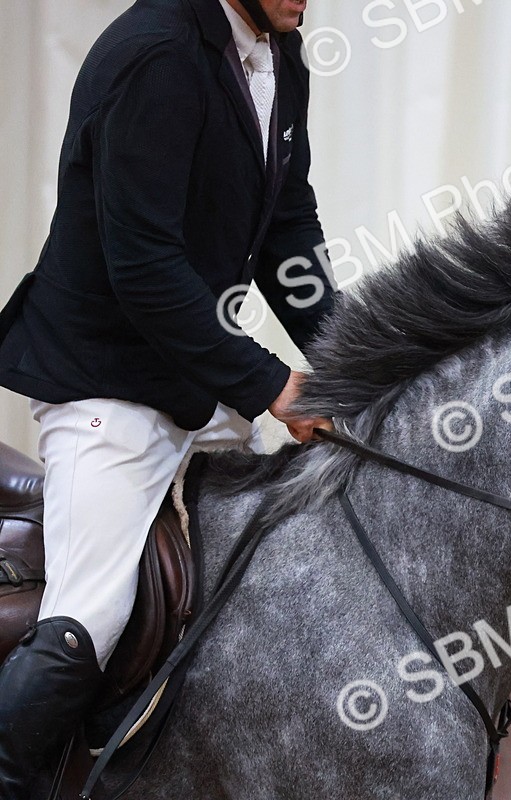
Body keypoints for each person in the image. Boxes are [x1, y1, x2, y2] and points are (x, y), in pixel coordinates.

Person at [0, 0, 335, 792]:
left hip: (198, 384)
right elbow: (146, 270)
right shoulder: (154, 56)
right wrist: (274, 386)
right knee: (91, 620)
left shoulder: (281, 54)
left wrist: (348, 359)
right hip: (106, 387)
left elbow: (288, 230)